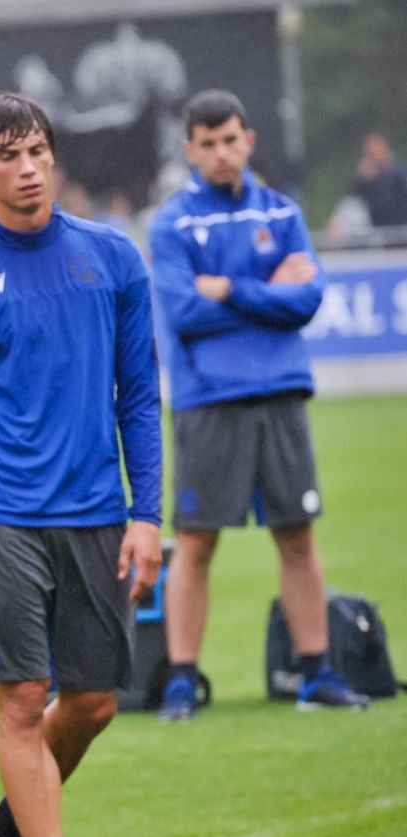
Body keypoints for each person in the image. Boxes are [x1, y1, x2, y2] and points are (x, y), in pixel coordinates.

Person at [0, 91, 162, 837]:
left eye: (36, 152)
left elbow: (139, 397)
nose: (26, 169)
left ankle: (3, 827)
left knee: (92, 704)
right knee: (23, 699)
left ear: (52, 157)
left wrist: (146, 514)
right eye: (7, 156)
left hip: (96, 513)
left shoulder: (113, 258)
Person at [148, 89, 371, 720]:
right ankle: (182, 681)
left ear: (248, 140)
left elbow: (306, 302)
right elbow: (183, 312)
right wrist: (265, 293)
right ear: (190, 149)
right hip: (208, 397)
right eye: (208, 143)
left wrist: (227, 289)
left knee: (297, 535)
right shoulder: (171, 225)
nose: (221, 153)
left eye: (231, 140)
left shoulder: (283, 212)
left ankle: (316, 675)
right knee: (196, 542)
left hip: (280, 391)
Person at [353, 132, 407, 229]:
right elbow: (356, 197)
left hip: (397, 221)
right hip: (374, 222)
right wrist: (363, 179)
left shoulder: (395, 170)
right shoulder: (366, 173)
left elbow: (400, 196)